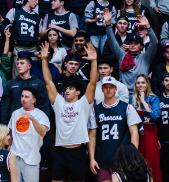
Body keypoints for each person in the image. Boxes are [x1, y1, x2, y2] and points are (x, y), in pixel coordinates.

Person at [42, 42, 97, 182]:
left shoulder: (84, 104)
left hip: (77, 152)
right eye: (66, 89)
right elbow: (48, 82)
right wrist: (44, 59)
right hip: (60, 151)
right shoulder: (59, 103)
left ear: (78, 92)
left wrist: (94, 61)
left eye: (71, 89)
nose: (66, 90)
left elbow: (92, 83)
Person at [88, 76, 141, 182]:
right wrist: (92, 158)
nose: (108, 89)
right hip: (102, 158)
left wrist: (132, 156)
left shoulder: (127, 108)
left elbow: (135, 133)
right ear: (102, 89)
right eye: (105, 87)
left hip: (123, 159)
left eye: (111, 87)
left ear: (116, 89)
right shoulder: (95, 110)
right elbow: (92, 136)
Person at [103, 8, 158, 94]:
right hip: (123, 93)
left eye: (136, 43)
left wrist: (148, 27)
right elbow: (111, 41)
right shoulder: (122, 55)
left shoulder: (146, 57)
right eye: (131, 43)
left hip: (141, 93)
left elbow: (154, 43)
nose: (133, 45)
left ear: (141, 46)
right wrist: (108, 24)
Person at [8, 87, 50, 182]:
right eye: (22, 96)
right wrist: (9, 152)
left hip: (31, 159)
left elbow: (43, 132)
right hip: (15, 158)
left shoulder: (40, 115)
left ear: (33, 100)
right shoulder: (15, 113)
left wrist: (33, 119)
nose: (23, 99)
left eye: (27, 97)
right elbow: (11, 135)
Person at [129, 74, 162, 182]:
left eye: (143, 82)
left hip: (149, 135)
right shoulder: (130, 99)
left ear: (147, 84)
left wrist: (143, 101)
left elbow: (155, 116)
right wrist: (145, 117)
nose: (140, 85)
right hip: (135, 134)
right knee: (137, 163)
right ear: (135, 85)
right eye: (138, 83)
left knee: (151, 163)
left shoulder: (153, 98)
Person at [1, 55, 49, 125]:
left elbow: (44, 106)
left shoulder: (39, 83)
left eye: (22, 63)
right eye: (17, 63)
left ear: (29, 66)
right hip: (15, 122)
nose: (18, 66)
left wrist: (43, 125)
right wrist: (4, 126)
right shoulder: (10, 83)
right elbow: (5, 107)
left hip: (34, 123)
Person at [6, 0, 42, 78]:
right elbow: (6, 27)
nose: (37, 3)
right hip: (18, 47)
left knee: (32, 75)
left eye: (38, 1)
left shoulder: (38, 18)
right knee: (17, 75)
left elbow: (39, 35)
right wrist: (11, 39)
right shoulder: (14, 11)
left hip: (32, 48)